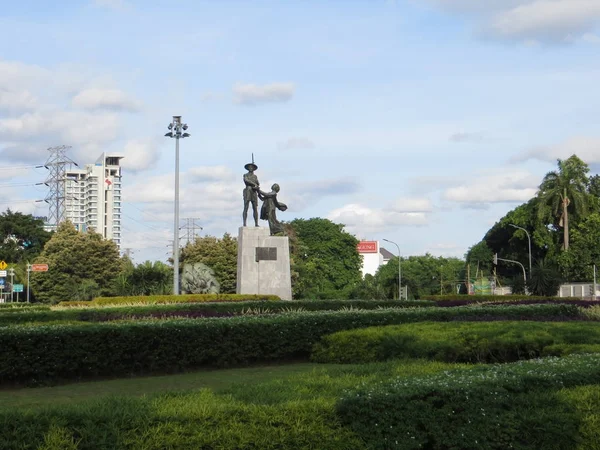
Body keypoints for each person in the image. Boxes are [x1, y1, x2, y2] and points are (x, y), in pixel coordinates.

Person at [242, 162, 260, 227]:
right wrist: (254, 184)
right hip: (248, 191)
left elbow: (258, 183)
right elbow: (246, 181)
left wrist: (256, 186)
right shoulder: (245, 175)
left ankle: (256, 223)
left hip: (254, 192)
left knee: (255, 208)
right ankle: (244, 223)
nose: (250, 168)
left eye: (252, 167)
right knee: (246, 207)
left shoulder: (255, 176)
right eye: (249, 167)